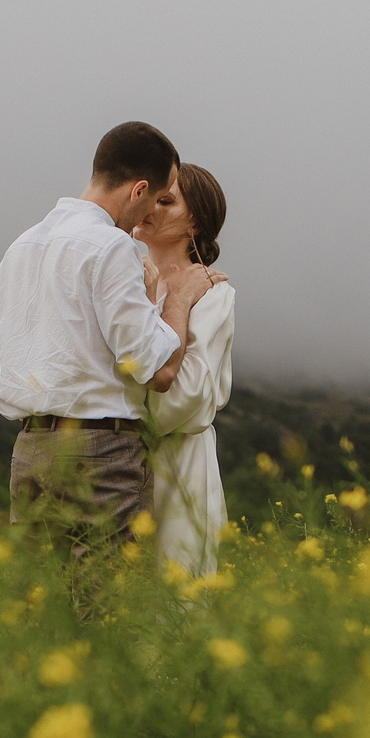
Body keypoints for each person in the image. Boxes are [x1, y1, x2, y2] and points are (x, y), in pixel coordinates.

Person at [0, 121, 217, 573]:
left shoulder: (20, 247)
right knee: (106, 608)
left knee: (40, 608)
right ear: (138, 190)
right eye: (156, 199)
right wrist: (178, 299)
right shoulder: (111, 246)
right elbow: (160, 372)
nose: (151, 214)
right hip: (100, 453)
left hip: (28, 451)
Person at [131, 164, 234, 576]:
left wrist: (118, 410)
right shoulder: (124, 279)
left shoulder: (214, 296)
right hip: (120, 465)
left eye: (167, 200)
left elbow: (185, 395)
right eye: (150, 195)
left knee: (173, 607)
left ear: (196, 221)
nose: (149, 206)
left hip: (181, 470)